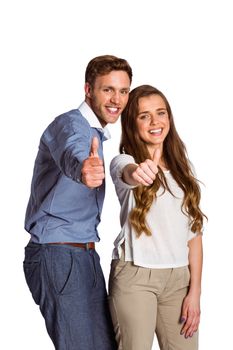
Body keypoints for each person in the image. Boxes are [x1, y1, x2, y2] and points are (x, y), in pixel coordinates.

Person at [23, 55, 132, 350]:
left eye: (123, 91)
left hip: (84, 256)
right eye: (107, 89)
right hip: (58, 255)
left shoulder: (95, 133)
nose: (117, 99)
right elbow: (73, 151)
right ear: (88, 90)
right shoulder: (69, 125)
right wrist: (83, 168)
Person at [108, 85, 206, 350]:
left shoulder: (182, 171)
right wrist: (137, 171)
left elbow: (194, 237)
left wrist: (194, 293)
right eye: (144, 116)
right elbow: (124, 171)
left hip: (179, 281)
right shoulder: (125, 162)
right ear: (132, 124)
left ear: (169, 118)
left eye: (161, 113)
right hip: (136, 278)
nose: (155, 122)